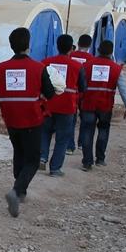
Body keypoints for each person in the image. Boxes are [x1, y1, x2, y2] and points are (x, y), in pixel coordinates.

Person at [0, 27, 57, 217]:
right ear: (28, 45)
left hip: (11, 119)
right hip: (32, 119)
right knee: (33, 159)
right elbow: (50, 93)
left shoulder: (0, 68)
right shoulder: (39, 68)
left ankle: (20, 191)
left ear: (11, 46)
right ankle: (16, 190)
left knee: (19, 152)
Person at [78, 40, 126, 171]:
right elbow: (123, 89)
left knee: (87, 131)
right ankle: (100, 159)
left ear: (98, 49)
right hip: (105, 106)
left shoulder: (86, 65)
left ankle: (87, 162)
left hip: (88, 104)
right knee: (103, 130)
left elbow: (80, 85)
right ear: (111, 52)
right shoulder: (116, 68)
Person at [39, 34, 86, 176]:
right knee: (62, 138)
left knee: (45, 132)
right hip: (67, 106)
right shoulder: (77, 66)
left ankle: (42, 157)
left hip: (47, 104)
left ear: (57, 46)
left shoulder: (45, 62)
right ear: (71, 49)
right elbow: (83, 87)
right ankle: (55, 168)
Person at [68, 34, 95, 154]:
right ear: (89, 45)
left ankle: (69, 146)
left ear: (78, 43)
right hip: (85, 93)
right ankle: (81, 143)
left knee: (71, 119)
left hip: (71, 92)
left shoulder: (70, 56)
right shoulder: (91, 58)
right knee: (84, 118)